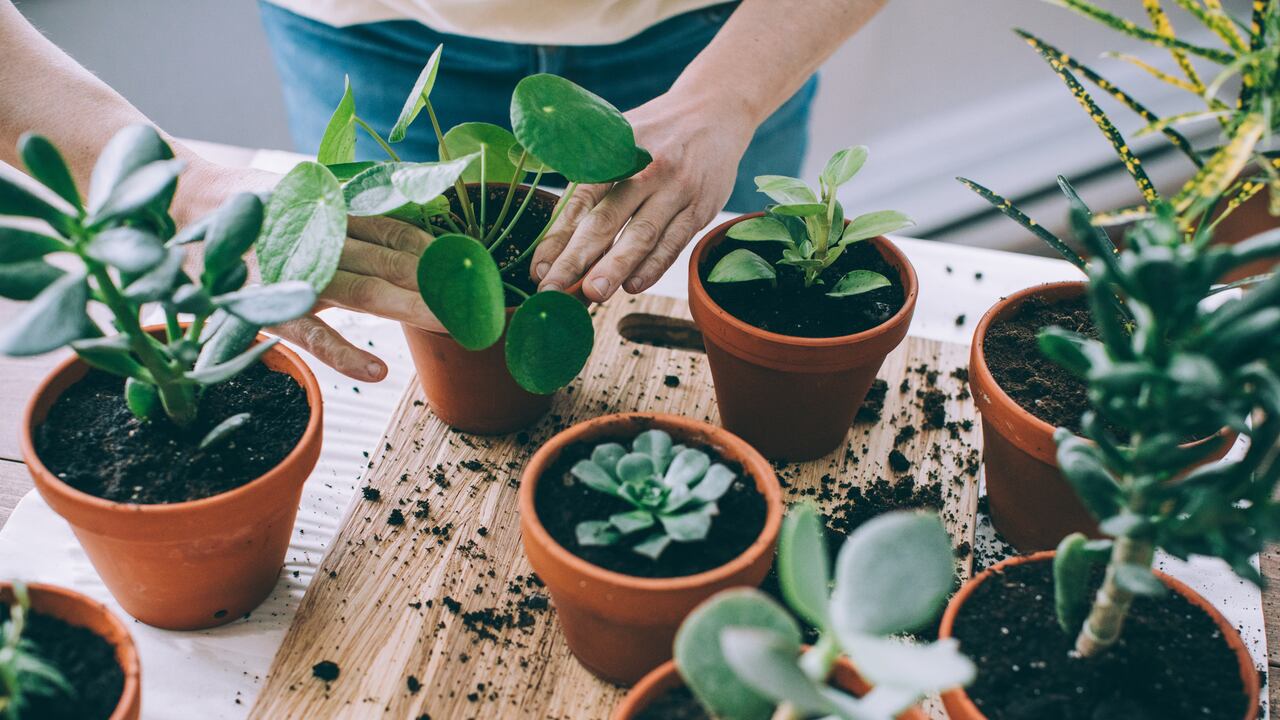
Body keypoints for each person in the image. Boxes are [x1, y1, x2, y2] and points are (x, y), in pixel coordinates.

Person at [0, 0, 886, 382]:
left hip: (723, 36)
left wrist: (730, 93)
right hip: (367, 39)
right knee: (400, 281)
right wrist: (180, 187)